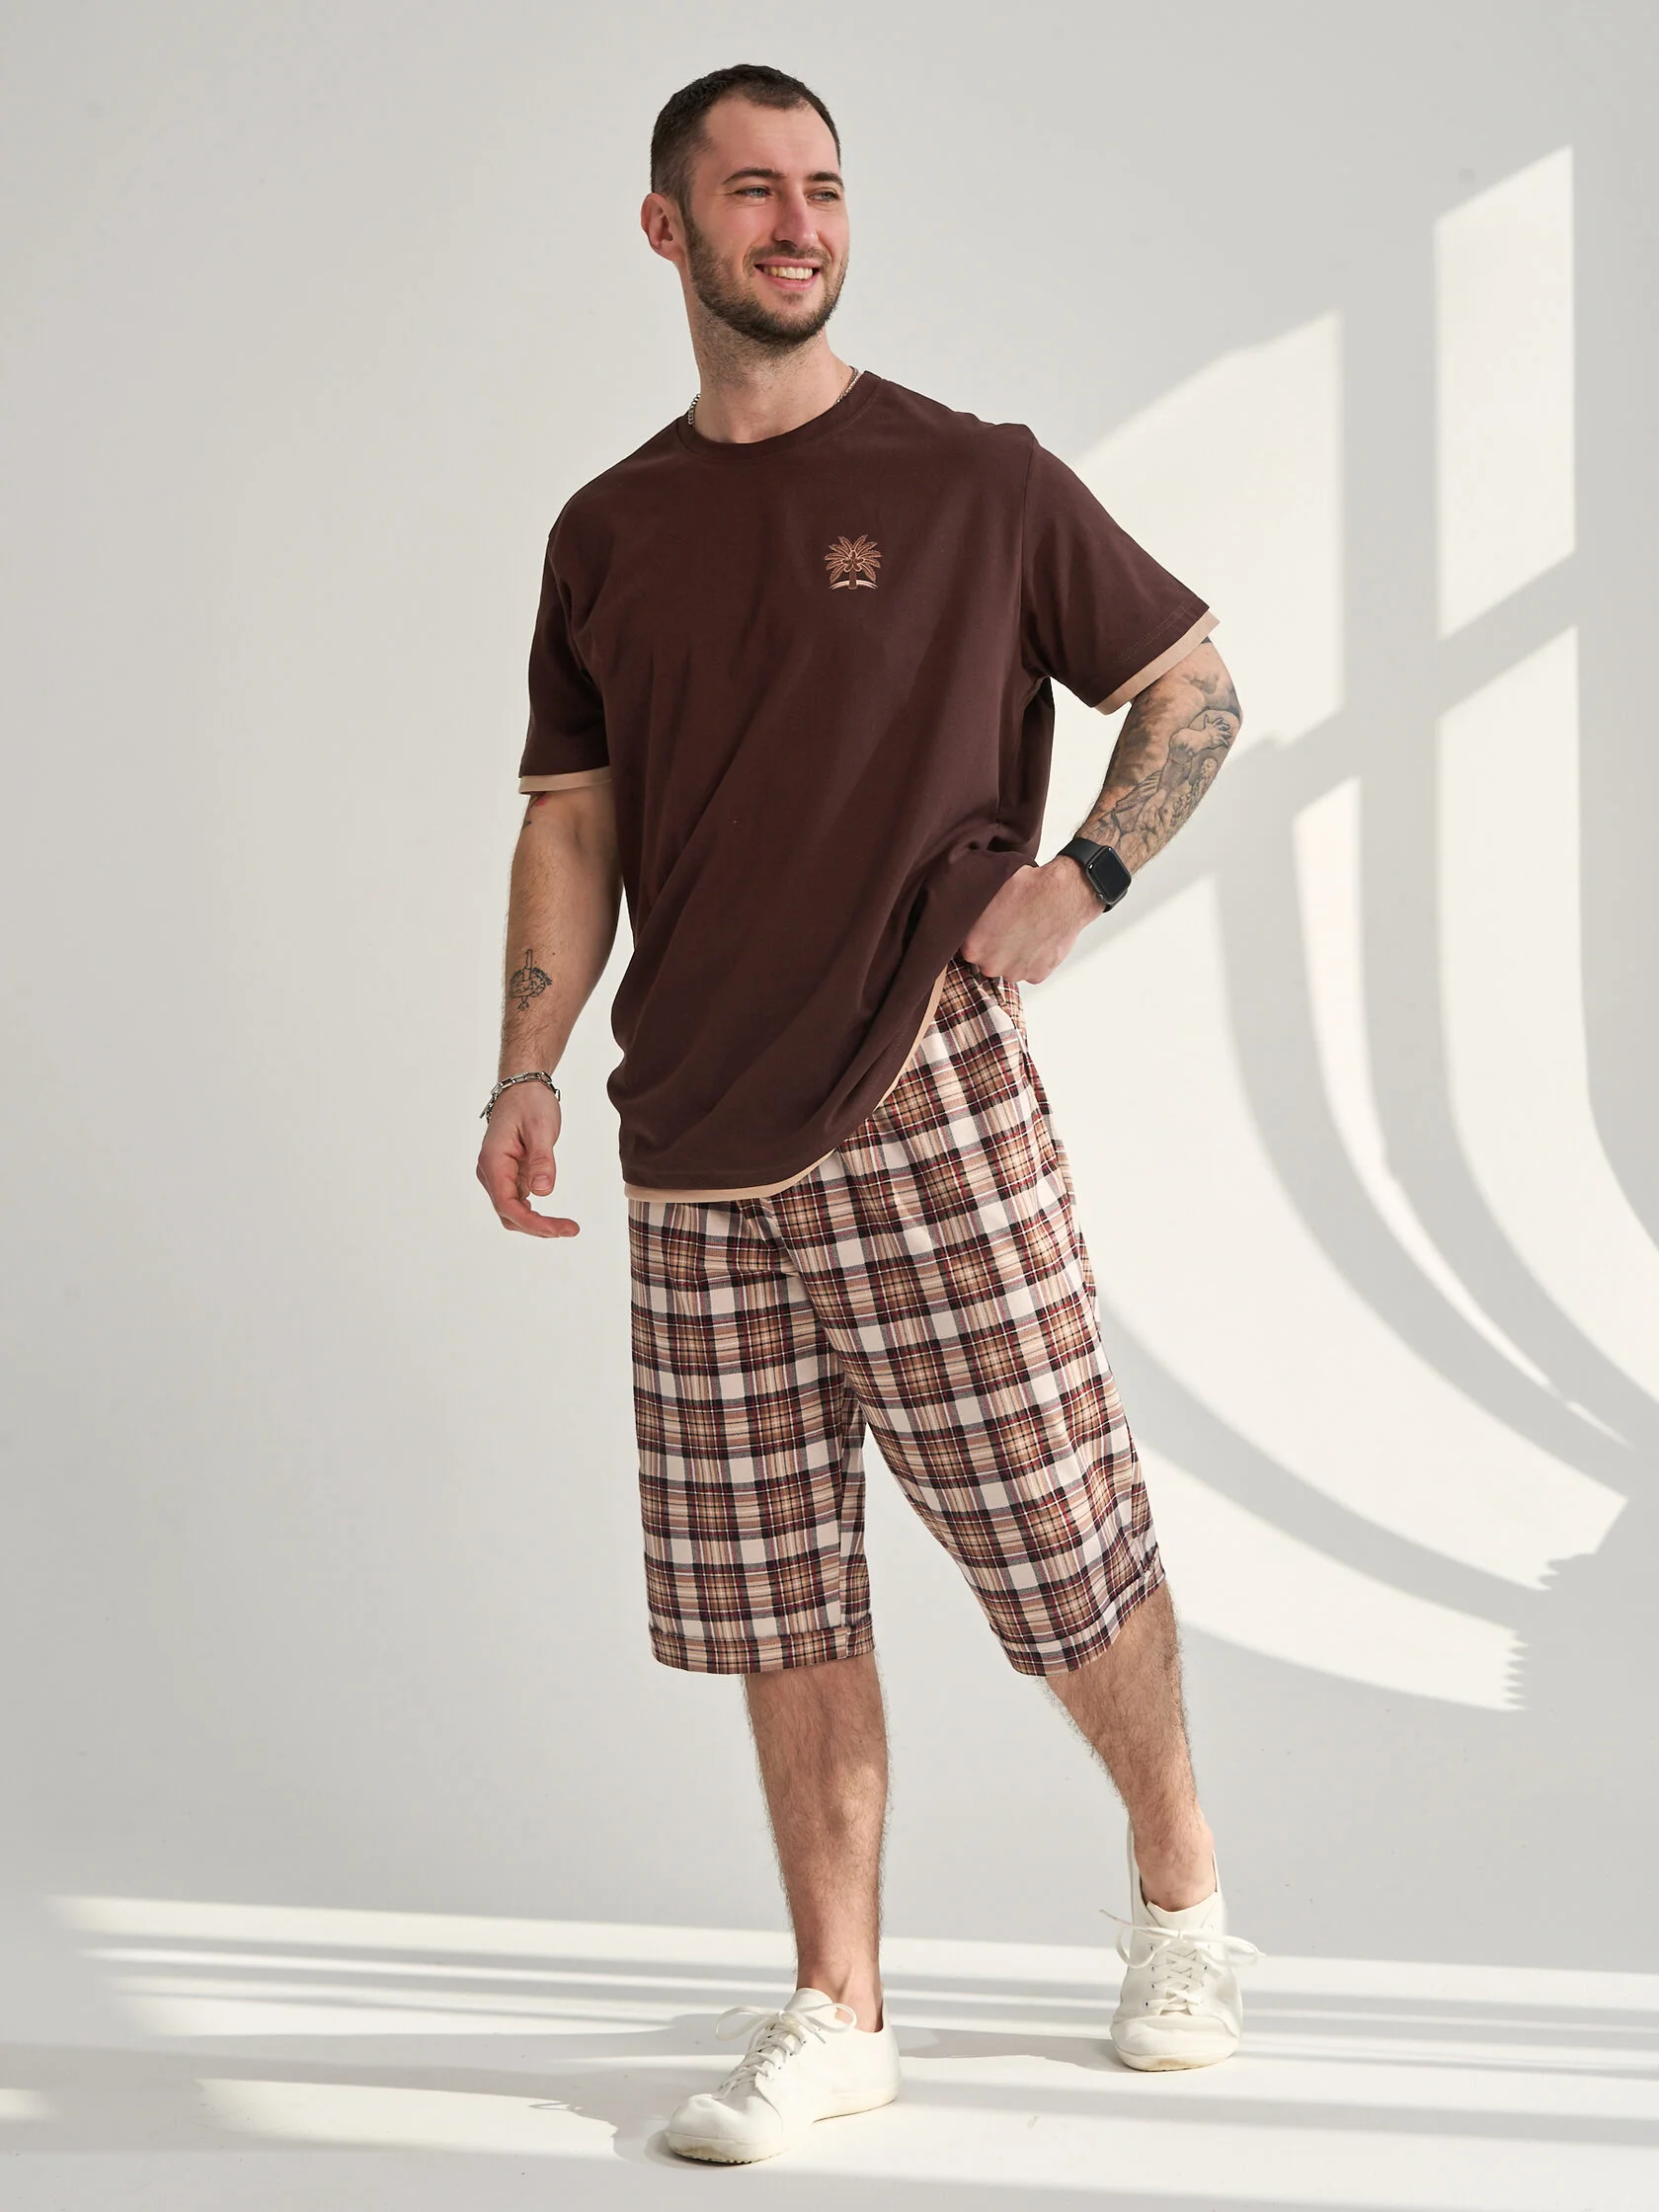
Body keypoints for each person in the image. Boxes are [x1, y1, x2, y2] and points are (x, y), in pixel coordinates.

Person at [475, 61, 1254, 2168]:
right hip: (691, 1140)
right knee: (774, 1597)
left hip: (925, 1091)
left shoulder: (977, 479)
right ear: (670, 229)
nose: (798, 223)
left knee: (1055, 1536)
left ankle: (1182, 1893)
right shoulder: (607, 529)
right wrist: (528, 1062)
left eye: (821, 188)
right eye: (752, 191)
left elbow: (1192, 683)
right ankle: (841, 2005)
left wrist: (1081, 879)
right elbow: (574, 820)